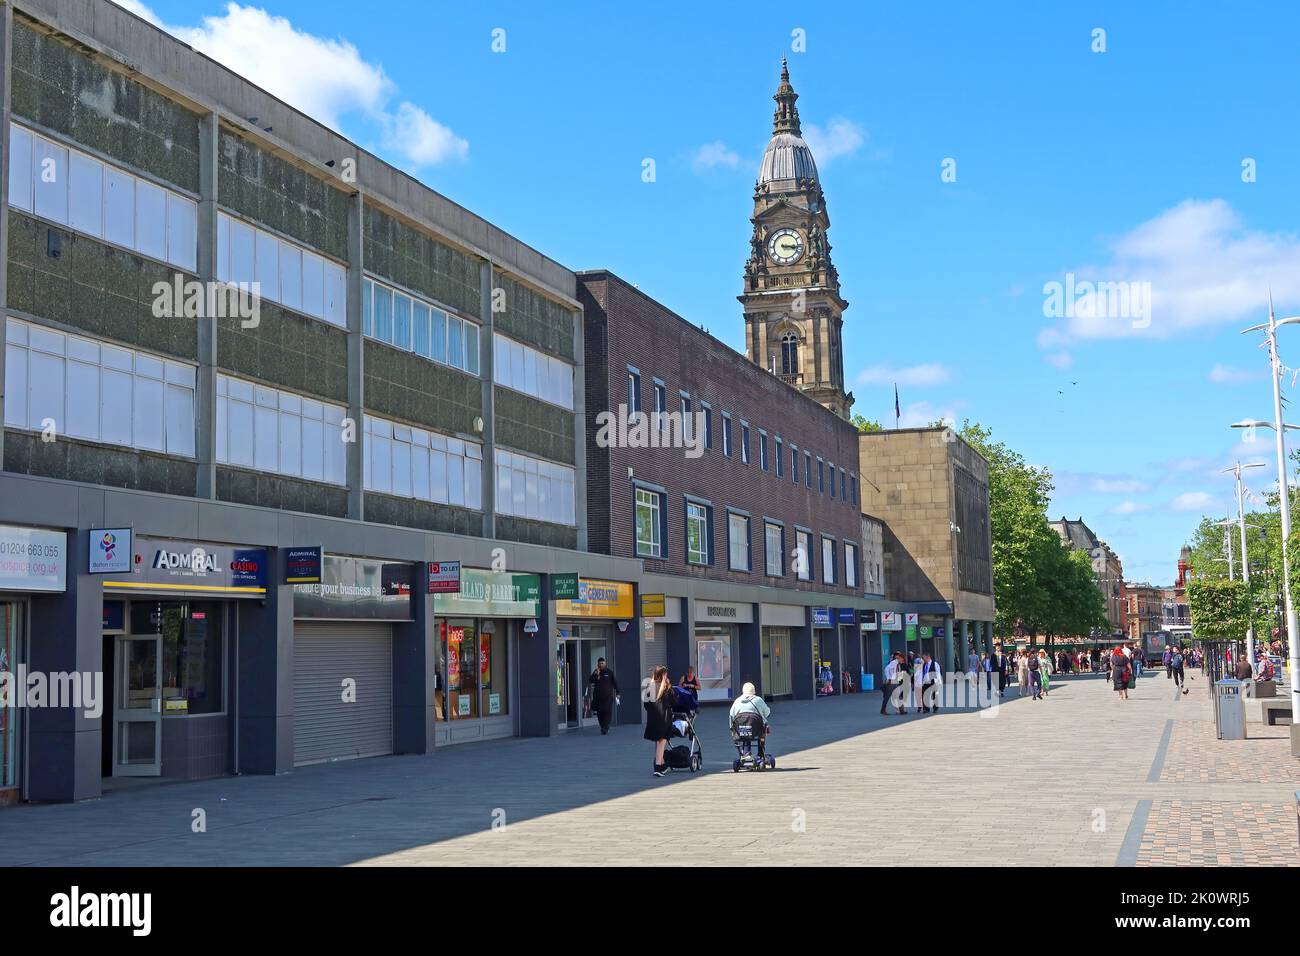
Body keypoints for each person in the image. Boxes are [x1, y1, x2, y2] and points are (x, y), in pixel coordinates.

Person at [643, 665, 675, 777]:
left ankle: (662, 764)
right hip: (664, 719)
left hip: (653, 719)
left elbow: (646, 704)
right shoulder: (666, 687)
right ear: (663, 675)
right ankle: (658, 767)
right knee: (661, 742)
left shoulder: (650, 687)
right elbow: (674, 702)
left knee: (659, 742)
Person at [729, 681, 771, 756]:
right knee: (760, 729)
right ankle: (760, 752)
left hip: (742, 729)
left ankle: (746, 752)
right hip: (756, 728)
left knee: (745, 728)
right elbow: (767, 713)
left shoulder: (737, 701)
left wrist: (731, 728)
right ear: (754, 691)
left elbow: (731, 715)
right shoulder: (758, 700)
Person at [588, 657, 621, 735]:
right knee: (600, 713)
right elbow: (590, 680)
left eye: (603, 663)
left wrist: (618, 693)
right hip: (598, 697)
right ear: (598, 664)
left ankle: (606, 727)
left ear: (605, 663)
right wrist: (596, 674)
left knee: (607, 712)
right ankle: (603, 726)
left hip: (608, 697)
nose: (601, 664)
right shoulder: (596, 672)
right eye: (600, 663)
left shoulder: (609, 672)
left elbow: (615, 683)